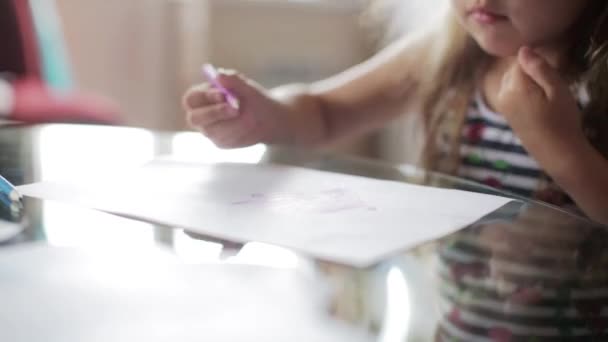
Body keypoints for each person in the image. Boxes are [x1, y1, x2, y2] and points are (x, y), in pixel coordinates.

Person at [182, 0, 608, 226]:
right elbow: (325, 111)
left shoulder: (596, 82)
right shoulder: (445, 53)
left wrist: (562, 147)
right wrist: (269, 113)